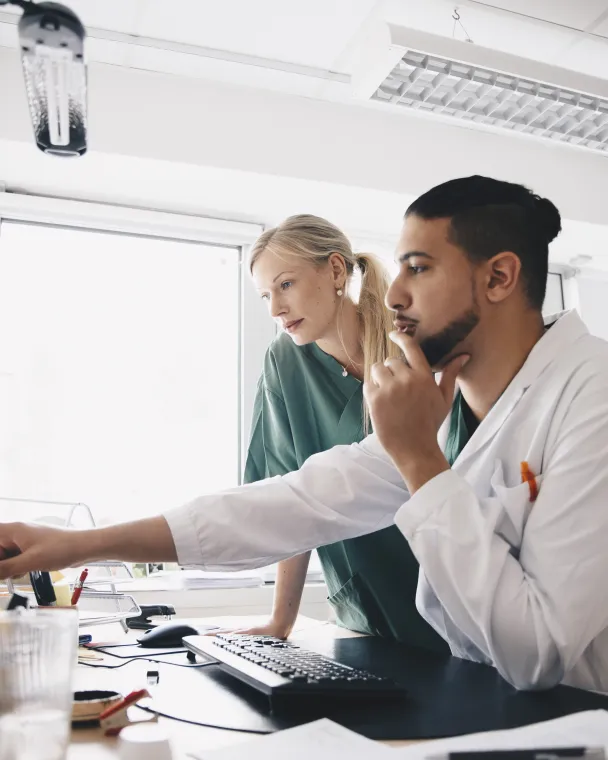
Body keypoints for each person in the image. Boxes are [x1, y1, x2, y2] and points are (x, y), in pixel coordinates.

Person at [3, 176, 608, 695]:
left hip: (577, 718)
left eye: (418, 269)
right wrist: (75, 545)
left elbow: (538, 654)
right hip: (488, 702)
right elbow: (293, 503)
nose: (394, 293)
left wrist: (422, 460)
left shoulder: (592, 396)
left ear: (500, 277)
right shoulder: (449, 412)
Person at [234, 215, 446, 651]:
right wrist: (281, 619)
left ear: (334, 270)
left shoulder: (411, 344)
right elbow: (289, 496)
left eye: (286, 285)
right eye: (265, 296)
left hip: (442, 579)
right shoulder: (285, 362)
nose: (275, 309)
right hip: (363, 602)